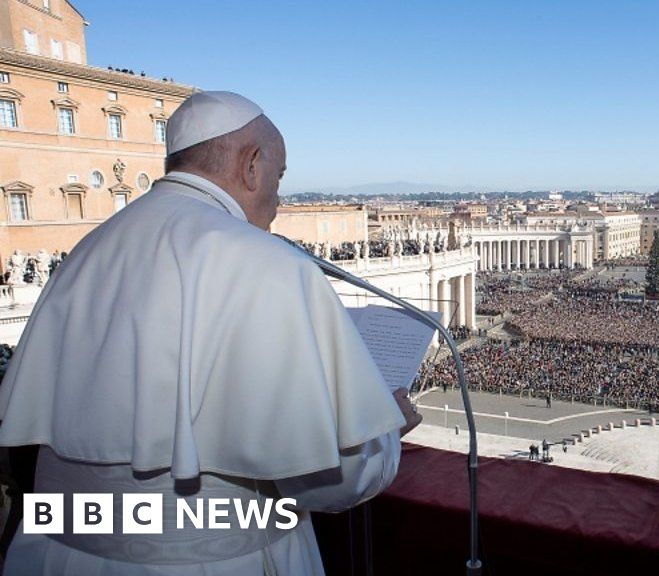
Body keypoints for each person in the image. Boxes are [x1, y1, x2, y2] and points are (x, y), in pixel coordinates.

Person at [0, 91, 421, 575]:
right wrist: (384, 433)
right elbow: (332, 479)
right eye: (279, 179)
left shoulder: (85, 253)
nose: (278, 201)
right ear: (252, 165)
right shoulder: (270, 264)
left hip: (56, 557)